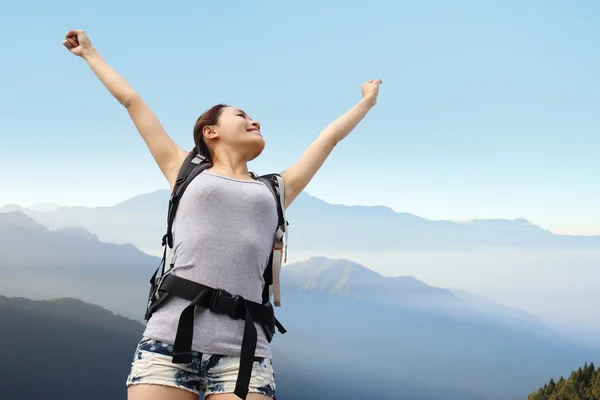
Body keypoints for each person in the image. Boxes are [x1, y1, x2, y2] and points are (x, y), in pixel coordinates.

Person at [62, 29, 382, 400]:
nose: (255, 121)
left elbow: (329, 137)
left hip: (244, 355)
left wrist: (367, 103)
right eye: (242, 115)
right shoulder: (183, 167)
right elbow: (132, 102)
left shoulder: (276, 189)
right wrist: (90, 54)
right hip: (168, 342)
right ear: (210, 131)